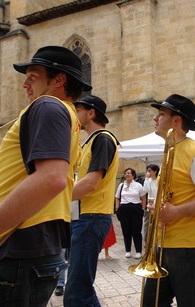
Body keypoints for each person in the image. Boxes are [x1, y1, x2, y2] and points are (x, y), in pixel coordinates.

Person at [0, 45, 89, 305]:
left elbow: (51, 179)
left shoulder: (47, 106)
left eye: (33, 76)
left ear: (59, 79)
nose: (25, 84)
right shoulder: (66, 115)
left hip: (17, 249)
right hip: (29, 249)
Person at [143, 94, 195, 306]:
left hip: (190, 249)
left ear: (176, 121)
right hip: (166, 246)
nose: (155, 118)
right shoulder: (171, 150)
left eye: (161, 114)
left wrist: (176, 212)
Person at [64, 95, 119, 306]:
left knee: (77, 292)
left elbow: (90, 183)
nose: (74, 115)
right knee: (79, 288)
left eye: (78, 110)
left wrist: (56, 198)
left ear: (91, 113)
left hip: (92, 218)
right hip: (85, 218)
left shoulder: (103, 139)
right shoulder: (90, 142)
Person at [115, 168, 146, 259]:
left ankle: (138, 251)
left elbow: (143, 198)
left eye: (129, 173)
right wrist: (117, 208)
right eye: (126, 173)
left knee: (136, 231)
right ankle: (127, 250)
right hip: (124, 209)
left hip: (136, 208)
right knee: (126, 231)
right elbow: (117, 197)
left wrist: (142, 209)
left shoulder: (138, 185)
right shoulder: (121, 185)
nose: (127, 174)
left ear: (133, 175)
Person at [142, 163, 159, 239]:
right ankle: (147, 240)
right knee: (148, 224)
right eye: (147, 171)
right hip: (151, 205)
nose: (148, 172)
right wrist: (146, 179)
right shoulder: (148, 180)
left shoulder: (159, 180)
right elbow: (146, 190)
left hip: (158, 205)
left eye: (150, 171)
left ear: (155, 172)